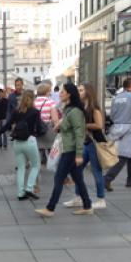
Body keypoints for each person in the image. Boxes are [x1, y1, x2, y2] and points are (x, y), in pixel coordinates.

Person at [35, 83, 93, 217]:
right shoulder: (69, 110)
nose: (59, 94)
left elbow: (79, 133)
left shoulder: (75, 112)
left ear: (69, 94)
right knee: (78, 179)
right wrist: (59, 126)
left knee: (59, 177)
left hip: (71, 150)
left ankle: (50, 208)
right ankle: (87, 205)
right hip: (68, 148)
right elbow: (68, 128)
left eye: (62, 92)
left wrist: (79, 154)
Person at [0, 90, 41, 201]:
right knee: (35, 165)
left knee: (21, 168)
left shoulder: (16, 111)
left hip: (17, 142)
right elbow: (39, 128)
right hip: (30, 141)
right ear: (33, 99)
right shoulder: (35, 112)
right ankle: (29, 187)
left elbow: (6, 125)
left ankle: (20, 193)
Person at [64, 83, 107, 209]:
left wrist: (83, 125)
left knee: (96, 171)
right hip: (85, 143)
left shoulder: (94, 108)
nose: (78, 92)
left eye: (81, 90)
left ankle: (101, 199)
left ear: (88, 92)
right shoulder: (81, 107)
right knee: (76, 170)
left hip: (94, 143)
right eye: (78, 90)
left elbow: (99, 125)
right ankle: (78, 197)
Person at [103, 76, 131, 191]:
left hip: (117, 128)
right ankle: (107, 179)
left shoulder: (117, 97)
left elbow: (111, 115)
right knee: (123, 155)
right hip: (129, 128)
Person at [33, 82, 60, 163]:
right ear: (46, 92)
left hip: (37, 128)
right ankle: (52, 160)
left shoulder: (33, 103)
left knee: (40, 143)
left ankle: (42, 156)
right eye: (49, 91)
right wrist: (57, 127)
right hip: (48, 128)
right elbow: (55, 119)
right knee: (51, 145)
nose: (50, 92)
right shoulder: (51, 102)